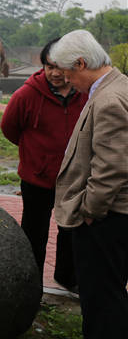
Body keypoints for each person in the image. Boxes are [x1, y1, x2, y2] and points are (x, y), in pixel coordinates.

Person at [51, 29, 128, 338]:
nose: (67, 81)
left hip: (107, 218)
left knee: (101, 299)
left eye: (68, 73)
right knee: (107, 293)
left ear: (81, 63)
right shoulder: (116, 86)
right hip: (110, 216)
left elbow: (111, 167)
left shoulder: (108, 99)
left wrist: (90, 211)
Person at [1, 38, 87, 292]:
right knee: (34, 232)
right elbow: (9, 128)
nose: (55, 73)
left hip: (73, 177)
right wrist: (34, 154)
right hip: (37, 177)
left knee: (70, 229)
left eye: (60, 66)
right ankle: (31, 284)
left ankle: (66, 277)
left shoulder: (84, 93)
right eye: (50, 66)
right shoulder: (27, 94)